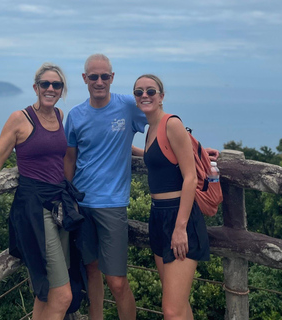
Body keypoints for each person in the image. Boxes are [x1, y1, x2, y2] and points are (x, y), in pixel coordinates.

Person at [0, 63, 83, 320]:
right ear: (36, 87)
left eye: (57, 85)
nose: (51, 89)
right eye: (45, 84)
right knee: (62, 295)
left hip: (59, 205)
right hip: (34, 208)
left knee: (47, 292)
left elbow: (61, 160)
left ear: (62, 89)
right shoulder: (20, 119)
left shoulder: (60, 116)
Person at [64, 54, 146, 320]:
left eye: (104, 76)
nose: (99, 82)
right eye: (93, 76)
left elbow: (159, 123)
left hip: (112, 204)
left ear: (112, 78)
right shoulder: (75, 115)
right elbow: (70, 159)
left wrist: (191, 149)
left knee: (117, 281)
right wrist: (68, 198)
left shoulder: (127, 106)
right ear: (85, 79)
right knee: (91, 271)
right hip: (82, 204)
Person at [133, 74, 211, 319]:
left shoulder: (171, 123)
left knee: (171, 311)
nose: (145, 95)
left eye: (150, 91)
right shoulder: (151, 129)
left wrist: (180, 228)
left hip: (180, 216)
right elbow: (156, 157)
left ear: (161, 96)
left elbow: (190, 177)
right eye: (139, 92)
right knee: (178, 305)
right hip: (158, 216)